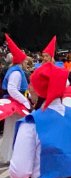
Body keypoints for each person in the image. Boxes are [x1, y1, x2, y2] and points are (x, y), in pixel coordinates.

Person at [0, 34, 31, 165]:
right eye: (25, 61)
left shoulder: (15, 70)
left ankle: (8, 155)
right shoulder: (17, 72)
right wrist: (24, 101)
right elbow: (12, 89)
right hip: (16, 104)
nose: (26, 63)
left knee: (11, 129)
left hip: (14, 103)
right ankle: (11, 156)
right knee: (18, 129)